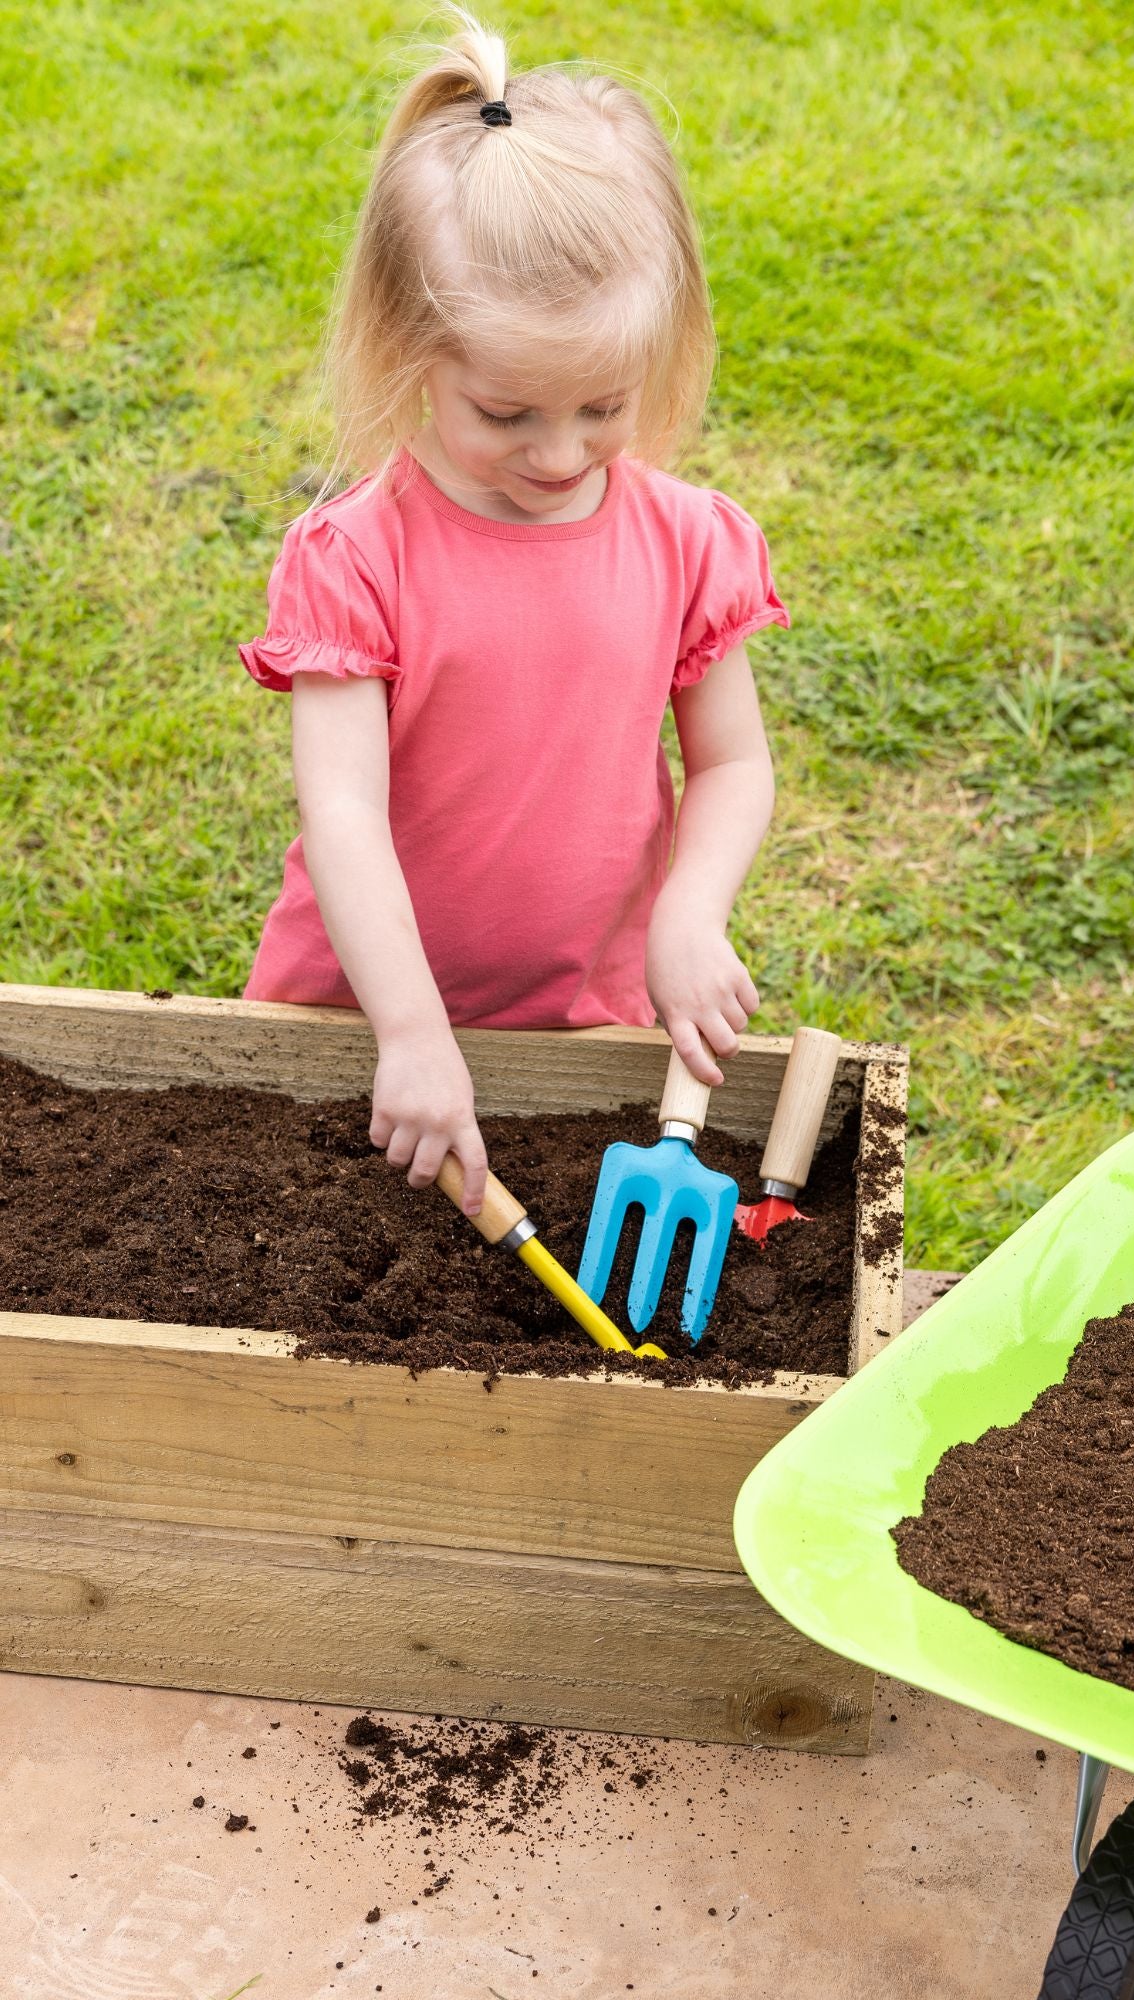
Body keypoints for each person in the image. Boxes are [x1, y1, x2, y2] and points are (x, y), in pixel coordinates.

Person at [238, 7, 783, 1221]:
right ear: (408, 348)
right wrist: (413, 1034)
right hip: (360, 1020)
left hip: (583, 1022)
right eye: (505, 413)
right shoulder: (356, 557)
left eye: (602, 405)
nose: (558, 452)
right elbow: (342, 810)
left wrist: (690, 912)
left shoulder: (686, 541)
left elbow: (733, 760)